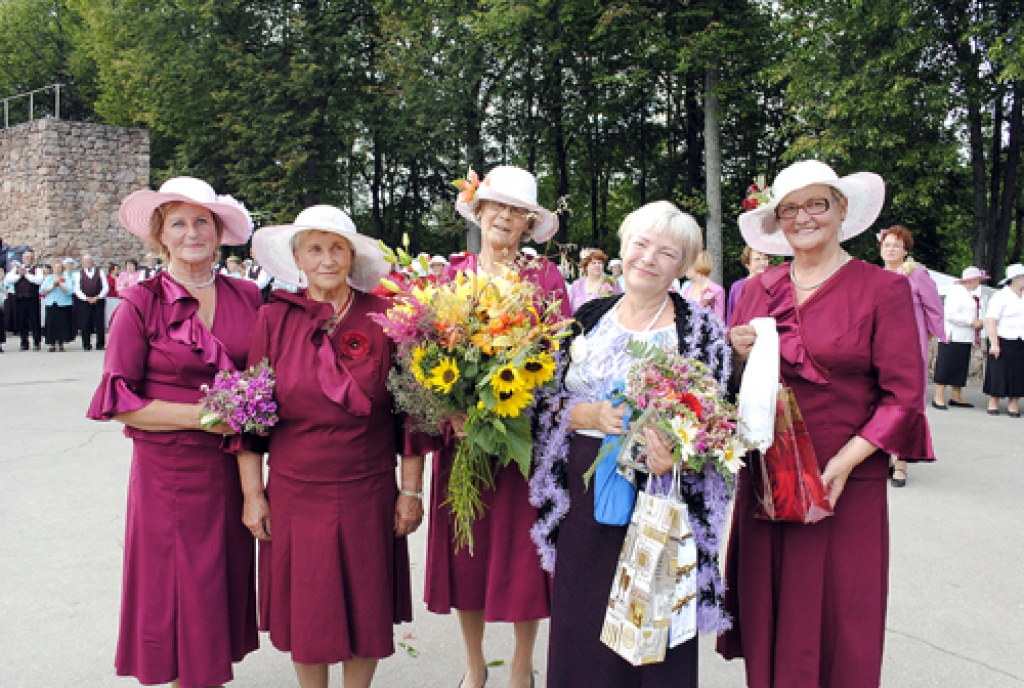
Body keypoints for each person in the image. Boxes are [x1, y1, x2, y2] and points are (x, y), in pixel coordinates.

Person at [717, 160, 934, 688]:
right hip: (768, 478)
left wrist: (844, 463)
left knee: (841, 619)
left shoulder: (882, 289)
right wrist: (736, 356)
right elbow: (732, 392)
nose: (803, 218)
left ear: (841, 209)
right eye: (790, 209)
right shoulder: (755, 290)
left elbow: (904, 396)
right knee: (771, 613)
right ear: (777, 221)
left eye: (816, 204)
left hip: (846, 479)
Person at [530, 200, 731, 688]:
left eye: (667, 252)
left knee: (652, 629)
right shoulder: (586, 316)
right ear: (624, 247)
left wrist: (680, 453)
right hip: (583, 493)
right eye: (641, 244)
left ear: (682, 267)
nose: (649, 258)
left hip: (660, 494)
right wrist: (588, 415)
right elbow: (541, 401)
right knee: (583, 620)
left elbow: (720, 421)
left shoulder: (701, 331)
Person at [236, 205, 426, 688]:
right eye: (315, 249)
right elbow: (251, 419)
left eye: (337, 248)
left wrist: (411, 491)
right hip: (295, 491)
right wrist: (253, 495)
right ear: (298, 258)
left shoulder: (385, 318)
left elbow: (411, 413)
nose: (327, 259)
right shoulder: (272, 319)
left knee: (366, 607)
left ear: (351, 256)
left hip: (369, 489)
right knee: (308, 611)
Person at [86, 176, 261, 687]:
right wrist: (207, 416)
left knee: (217, 585)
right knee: (180, 588)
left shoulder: (248, 295)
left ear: (219, 232)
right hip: (168, 473)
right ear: (161, 235)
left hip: (230, 470)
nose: (192, 233)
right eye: (178, 223)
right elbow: (118, 402)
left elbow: (267, 375)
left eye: (202, 222)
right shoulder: (139, 303)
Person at [427, 165, 571, 688]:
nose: (506, 217)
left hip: (521, 442)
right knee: (466, 553)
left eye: (518, 211)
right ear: (479, 210)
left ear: (529, 223)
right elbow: (425, 355)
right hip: (463, 441)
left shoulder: (546, 279)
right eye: (498, 206)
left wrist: (520, 402)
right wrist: (449, 408)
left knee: (524, 559)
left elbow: (561, 358)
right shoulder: (450, 278)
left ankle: (520, 665)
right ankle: (474, 664)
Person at [878, 225, 944, 487]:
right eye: (886, 245)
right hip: (880, 348)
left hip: (909, 350)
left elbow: (934, 308)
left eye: (896, 245)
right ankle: (882, 456)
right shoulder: (875, 275)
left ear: (906, 250)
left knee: (906, 404)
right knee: (880, 402)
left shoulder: (917, 275)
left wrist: (929, 335)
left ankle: (902, 463)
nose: (890, 250)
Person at [933, 267, 989, 409]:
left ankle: (956, 396)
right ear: (971, 280)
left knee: (960, 366)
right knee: (946, 366)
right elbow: (951, 314)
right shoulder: (957, 292)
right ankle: (938, 397)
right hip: (953, 336)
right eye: (978, 280)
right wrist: (971, 321)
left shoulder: (969, 294)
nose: (979, 283)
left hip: (964, 337)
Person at [983, 263, 1024, 416]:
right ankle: (994, 402)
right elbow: (991, 320)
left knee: (1018, 372)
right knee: (999, 371)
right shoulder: (1001, 296)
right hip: (1002, 338)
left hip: (1020, 339)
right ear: (1015, 278)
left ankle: (1014, 403)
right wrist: (994, 344)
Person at [4, 251, 44, 350]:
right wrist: (19, 275)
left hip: (33, 298)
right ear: (22, 259)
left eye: (30, 257)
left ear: (33, 259)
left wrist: (26, 274)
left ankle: (37, 342)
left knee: (35, 320)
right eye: (26, 257)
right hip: (20, 298)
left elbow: (39, 280)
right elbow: (8, 279)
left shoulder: (37, 270)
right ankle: (24, 342)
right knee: (21, 321)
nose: (28, 259)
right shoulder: (16, 269)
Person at [726, 246, 771, 324]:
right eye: (757, 259)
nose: (762, 263)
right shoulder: (737, 287)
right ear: (747, 264)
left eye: (765, 259)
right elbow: (731, 315)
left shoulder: (772, 284)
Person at [568, 248, 621, 312]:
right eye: (593, 263)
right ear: (586, 266)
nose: (597, 265)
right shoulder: (577, 285)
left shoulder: (611, 282)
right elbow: (569, 308)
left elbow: (620, 305)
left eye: (600, 263)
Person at [75, 254, 109, 351]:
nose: (88, 263)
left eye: (89, 261)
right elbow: (77, 289)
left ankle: (100, 344)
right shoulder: (79, 274)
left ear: (92, 262)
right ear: (83, 263)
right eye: (86, 261)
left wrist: (98, 297)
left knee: (99, 322)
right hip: (85, 301)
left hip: (98, 300)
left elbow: (105, 287)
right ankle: (86, 344)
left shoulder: (100, 272)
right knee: (85, 322)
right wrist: (86, 298)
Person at [680, 250, 725, 321]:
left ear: (696, 266)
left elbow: (719, 320)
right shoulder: (687, 290)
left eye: (687, 266)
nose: (685, 269)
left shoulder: (717, 290)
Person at [41, 260, 74, 352]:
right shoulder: (49, 278)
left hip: (63, 304)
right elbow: (42, 290)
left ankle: (61, 343)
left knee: (62, 324)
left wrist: (60, 286)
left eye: (59, 267)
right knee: (51, 324)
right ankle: (52, 344)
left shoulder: (66, 277)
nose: (57, 269)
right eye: (55, 267)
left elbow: (70, 290)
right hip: (52, 303)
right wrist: (53, 286)